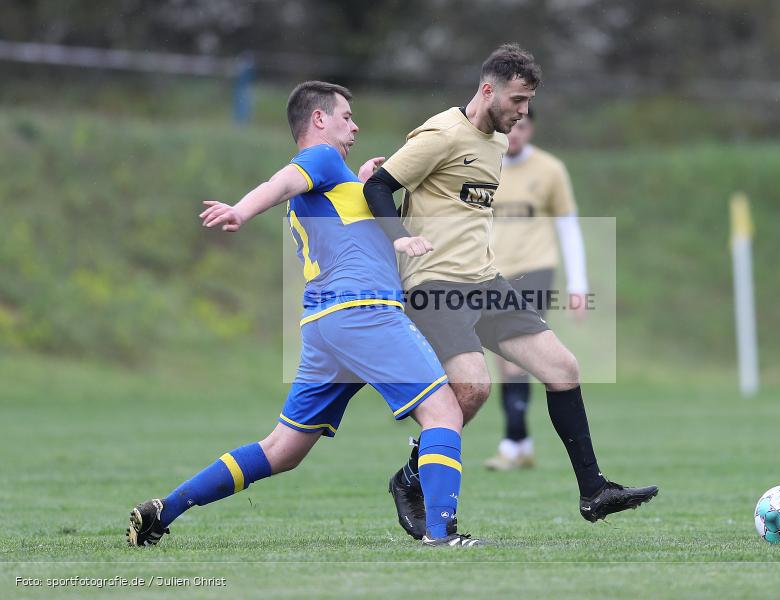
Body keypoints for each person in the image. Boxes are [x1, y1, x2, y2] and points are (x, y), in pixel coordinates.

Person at [127, 81, 482, 548]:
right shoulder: (321, 160)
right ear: (318, 120)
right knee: (444, 413)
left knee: (282, 450)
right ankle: (441, 535)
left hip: (324, 326)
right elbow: (284, 180)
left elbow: (342, 213)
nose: (355, 126)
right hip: (363, 311)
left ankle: (163, 510)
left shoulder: (337, 179)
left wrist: (364, 179)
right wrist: (242, 209)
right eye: (346, 116)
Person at [363, 44, 657, 540]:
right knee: (473, 391)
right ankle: (419, 488)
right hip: (434, 284)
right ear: (487, 90)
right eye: (518, 101)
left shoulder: (496, 143)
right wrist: (401, 239)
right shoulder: (440, 134)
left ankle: (594, 491)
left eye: (528, 103)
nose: (523, 113)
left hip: (485, 282)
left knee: (563, 369)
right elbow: (378, 187)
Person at [483, 110, 589, 471]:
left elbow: (568, 226)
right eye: (511, 126)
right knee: (506, 361)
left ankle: (513, 443)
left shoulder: (550, 170)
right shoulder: (486, 164)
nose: (515, 133)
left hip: (536, 269)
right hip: (495, 272)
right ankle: (520, 442)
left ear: (531, 129)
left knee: (519, 355)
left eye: (522, 126)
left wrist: (578, 284)